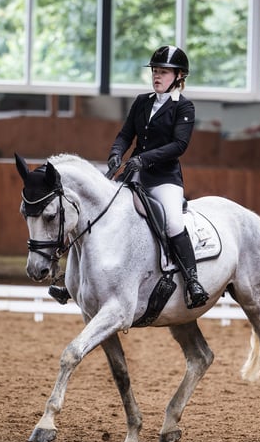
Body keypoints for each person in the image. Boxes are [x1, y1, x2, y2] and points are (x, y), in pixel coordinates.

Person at [48, 45, 208, 309]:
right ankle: (72, 281)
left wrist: (143, 158)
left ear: (179, 76)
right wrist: (116, 153)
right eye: (155, 71)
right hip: (134, 176)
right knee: (95, 218)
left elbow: (179, 145)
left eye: (163, 72)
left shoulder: (184, 107)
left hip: (164, 179)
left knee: (173, 224)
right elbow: (125, 134)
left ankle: (193, 281)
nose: (157, 76)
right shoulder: (142, 101)